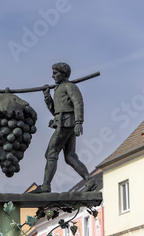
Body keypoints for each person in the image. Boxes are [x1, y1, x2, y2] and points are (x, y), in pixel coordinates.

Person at [33, 62, 97, 193]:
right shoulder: (58, 89)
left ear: (63, 73)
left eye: (55, 73)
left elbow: (78, 103)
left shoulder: (69, 86)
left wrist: (79, 122)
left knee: (51, 152)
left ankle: (46, 186)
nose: (52, 76)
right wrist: (47, 96)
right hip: (63, 122)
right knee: (70, 157)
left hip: (67, 123)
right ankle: (89, 180)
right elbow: (56, 111)